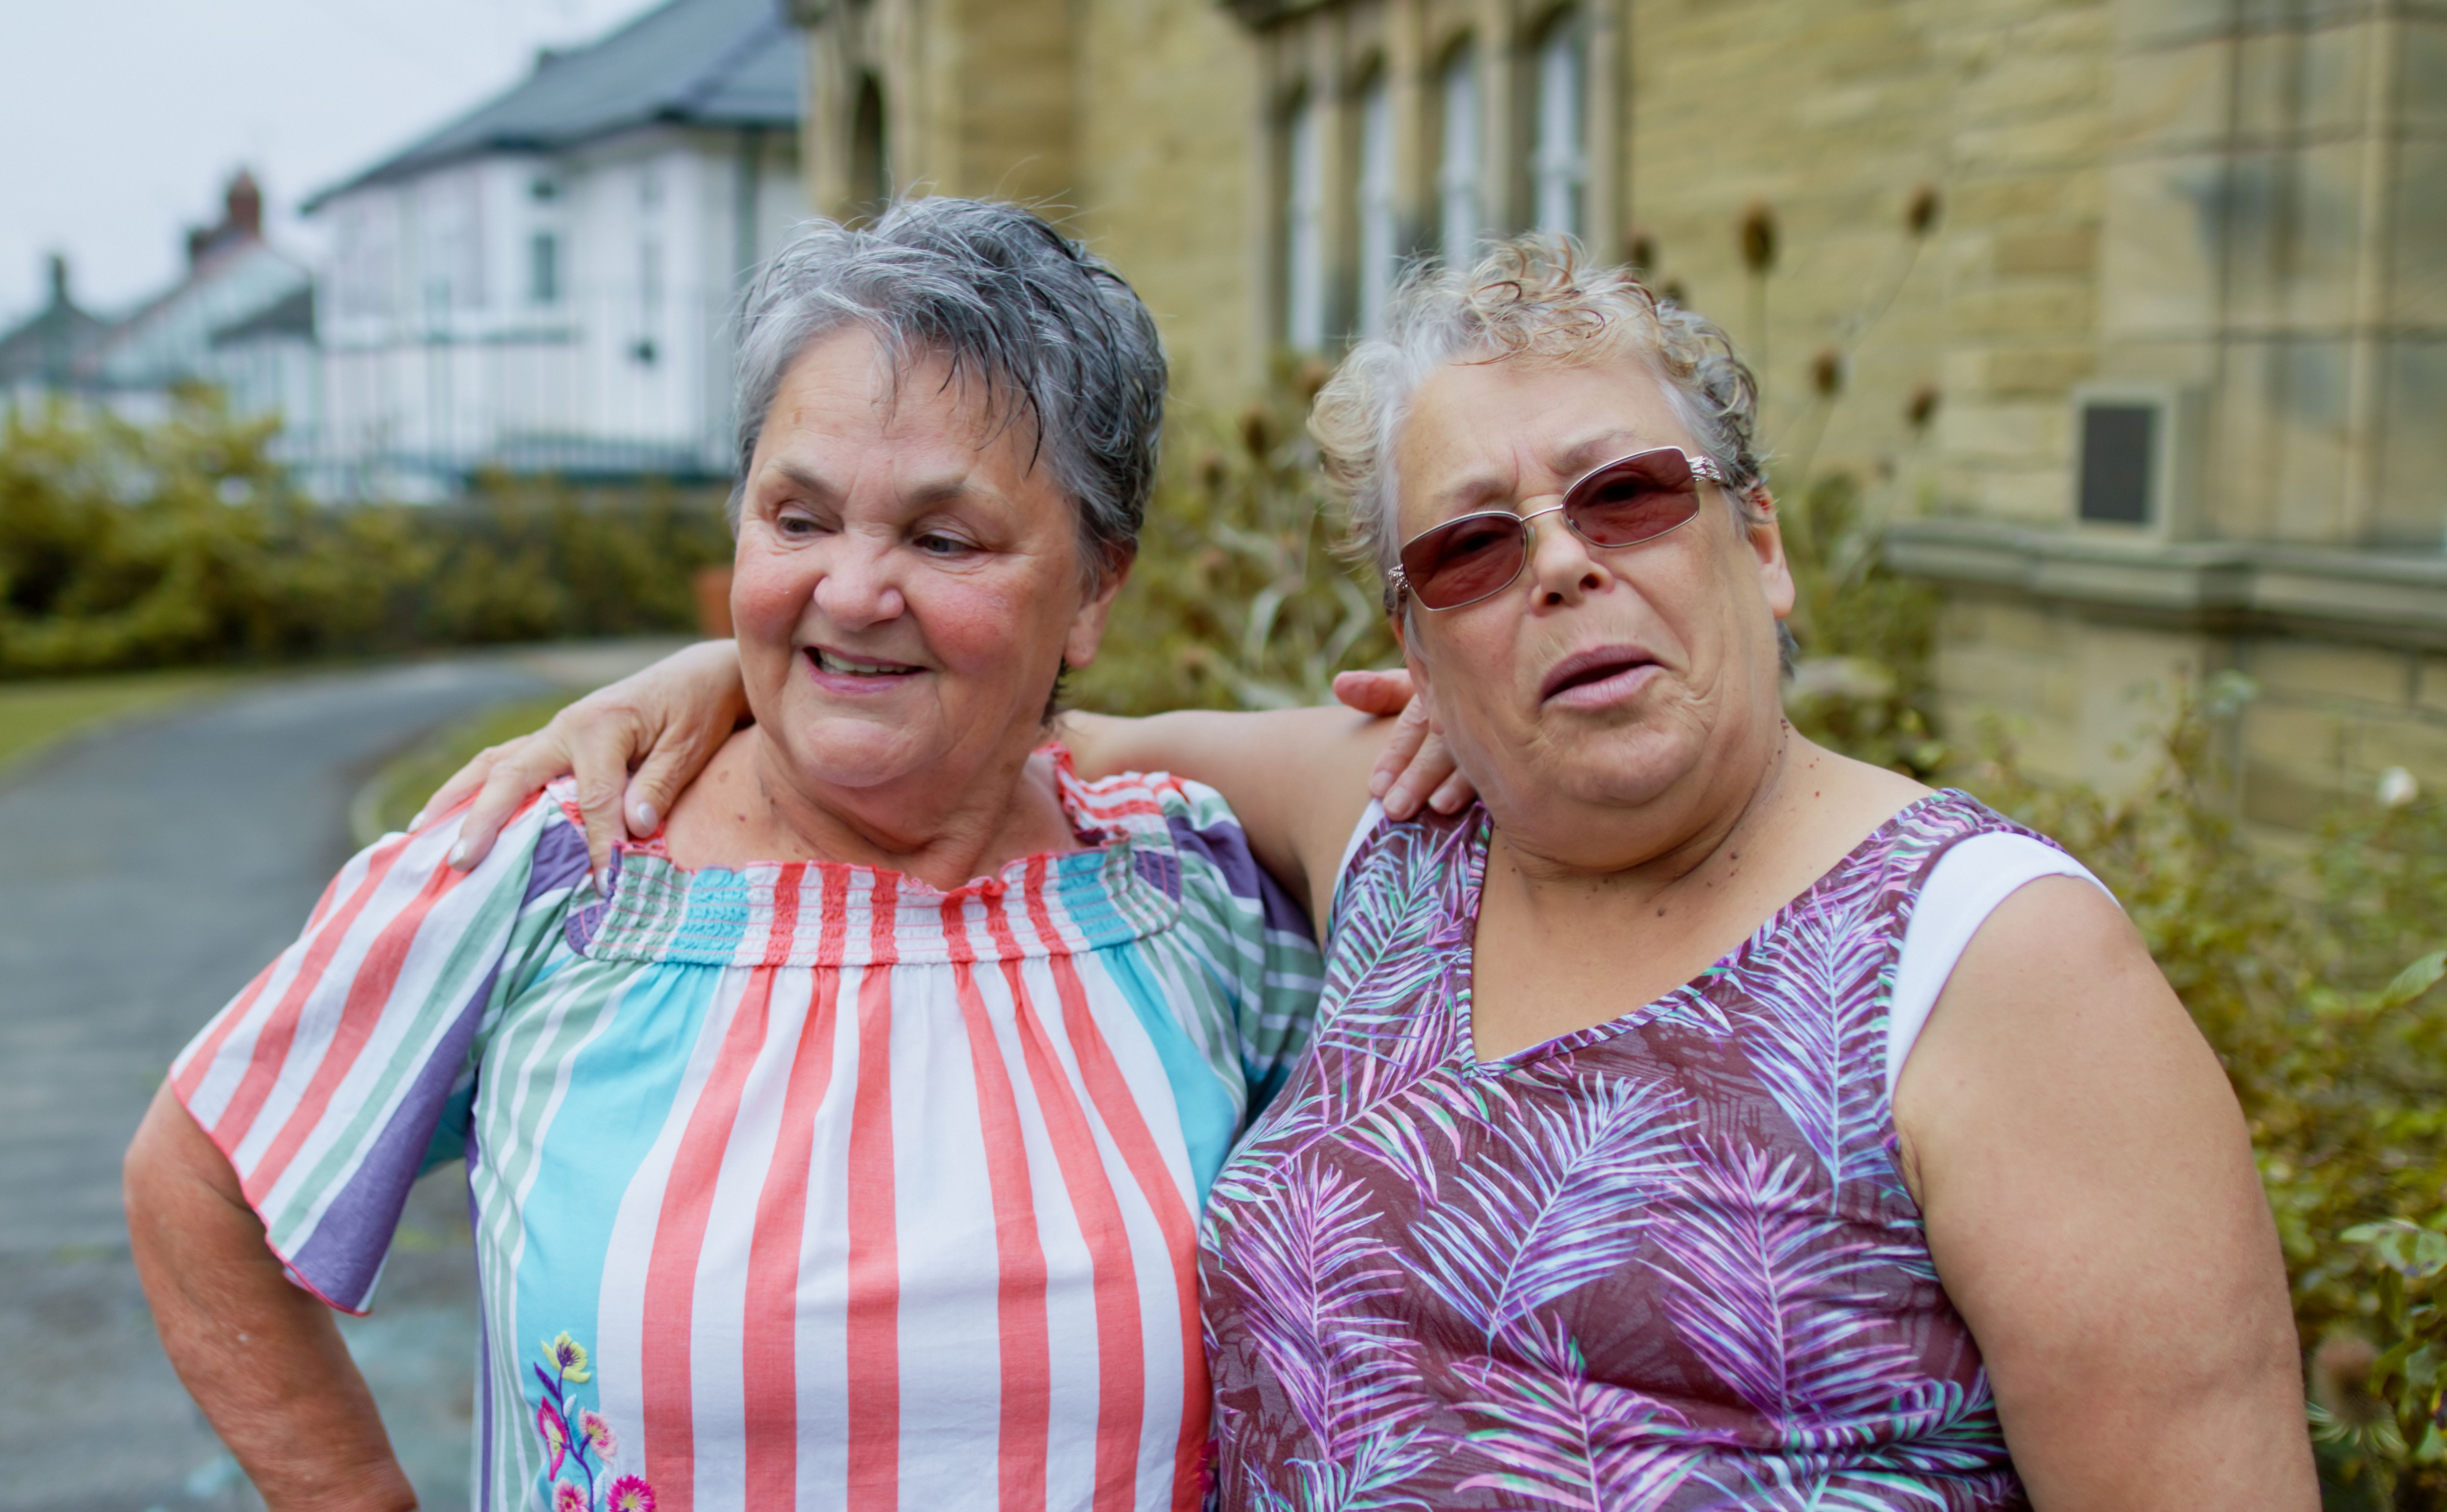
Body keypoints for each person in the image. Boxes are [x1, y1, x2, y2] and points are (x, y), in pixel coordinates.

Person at [433, 235, 2316, 1507]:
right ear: (1415, 646)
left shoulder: (1992, 966)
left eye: (1628, 494)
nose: (1563, 565)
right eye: (1473, 549)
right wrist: (736, 667)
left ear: (1761, 538)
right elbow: (997, 715)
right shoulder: (1398, 831)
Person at [121, 199, 1332, 1512]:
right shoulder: (564, 864)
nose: (853, 591)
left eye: (942, 538)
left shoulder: (1194, 900)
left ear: (1097, 587)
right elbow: (201, 1177)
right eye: (799, 519)